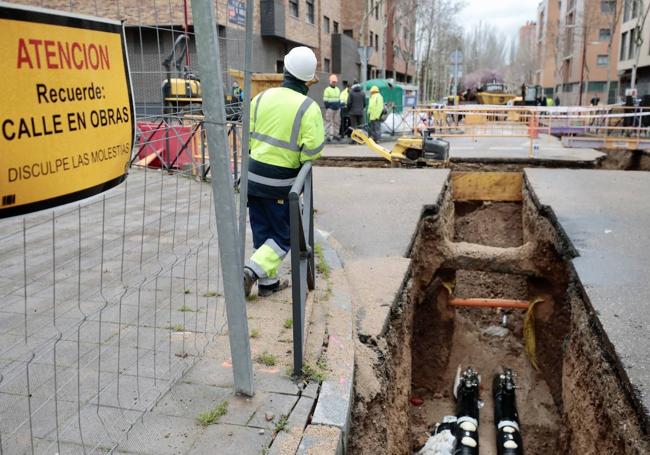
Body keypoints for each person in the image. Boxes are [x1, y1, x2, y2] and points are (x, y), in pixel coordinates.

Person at [243, 46, 325, 297]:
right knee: (284, 236)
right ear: (309, 79)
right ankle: (251, 270)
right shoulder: (308, 107)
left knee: (262, 231)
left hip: (253, 177)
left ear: (285, 70)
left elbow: (247, 135)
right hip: (281, 182)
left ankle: (268, 284)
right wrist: (299, 159)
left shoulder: (261, 98)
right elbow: (313, 150)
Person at [323, 74, 341, 142]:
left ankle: (336, 135)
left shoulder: (338, 89)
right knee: (328, 122)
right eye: (333, 81)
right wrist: (328, 107)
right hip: (330, 108)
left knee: (337, 122)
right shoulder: (327, 90)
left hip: (337, 108)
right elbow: (325, 100)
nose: (334, 83)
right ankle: (327, 136)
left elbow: (339, 99)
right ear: (330, 81)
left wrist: (338, 106)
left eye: (335, 82)